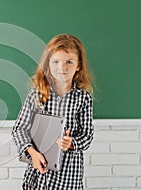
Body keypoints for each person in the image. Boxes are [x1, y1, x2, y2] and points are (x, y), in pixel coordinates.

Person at [12, 34, 94, 189]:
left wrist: (72, 143)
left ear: (78, 65)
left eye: (69, 62)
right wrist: (32, 153)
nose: (62, 68)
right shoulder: (38, 94)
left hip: (69, 176)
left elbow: (87, 136)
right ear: (48, 64)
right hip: (39, 174)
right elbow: (19, 129)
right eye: (56, 62)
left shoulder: (83, 99)